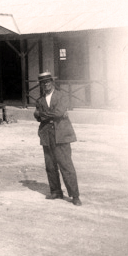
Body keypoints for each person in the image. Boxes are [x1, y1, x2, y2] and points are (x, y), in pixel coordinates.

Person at [34, 71, 81, 205]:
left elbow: (59, 113)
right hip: (46, 134)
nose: (46, 84)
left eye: (48, 81)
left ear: (52, 82)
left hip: (61, 134)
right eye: (43, 83)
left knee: (66, 165)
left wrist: (42, 114)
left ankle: (75, 195)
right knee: (50, 165)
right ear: (41, 85)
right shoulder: (40, 100)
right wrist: (43, 115)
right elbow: (37, 116)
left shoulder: (61, 96)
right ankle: (55, 191)